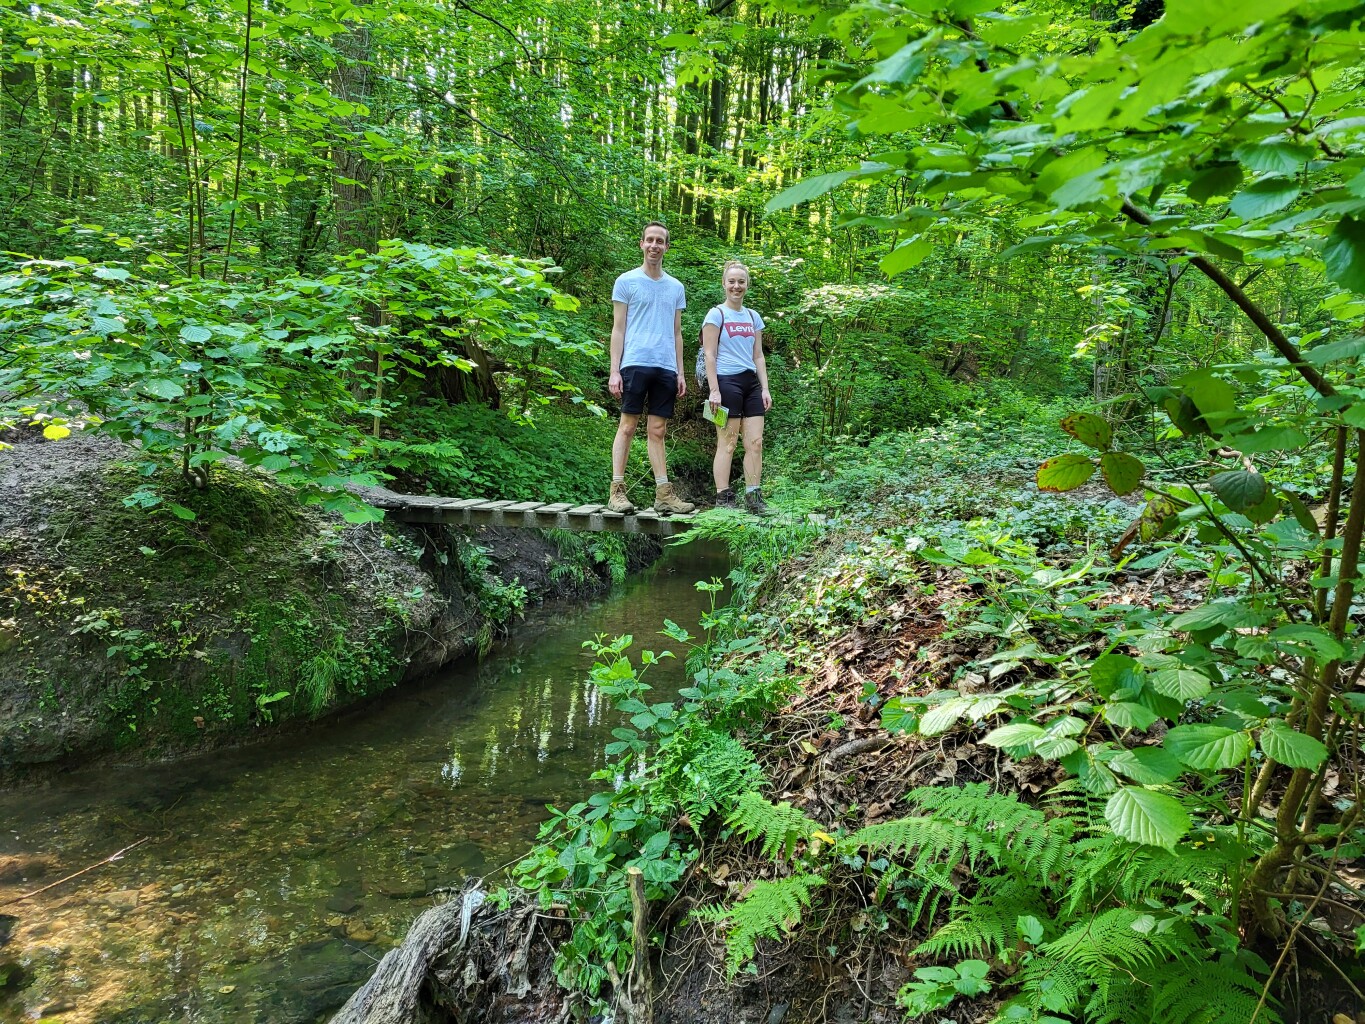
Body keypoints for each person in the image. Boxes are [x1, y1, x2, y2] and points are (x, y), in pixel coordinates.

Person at [607, 222, 695, 515]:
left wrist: (680, 372)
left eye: (660, 241)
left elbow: (677, 332)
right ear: (642, 244)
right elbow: (618, 329)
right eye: (650, 240)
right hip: (634, 362)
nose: (654, 245)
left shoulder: (676, 287)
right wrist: (615, 370)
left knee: (658, 430)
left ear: (666, 247)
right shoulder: (626, 281)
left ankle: (663, 495)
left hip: (665, 366)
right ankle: (617, 491)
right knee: (628, 426)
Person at [701, 260, 771, 514]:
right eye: (731, 281)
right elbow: (709, 355)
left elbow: (758, 355)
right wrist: (714, 390)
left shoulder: (753, 317)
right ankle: (723, 497)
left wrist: (765, 388)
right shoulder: (716, 314)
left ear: (747, 285)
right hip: (726, 383)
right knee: (728, 443)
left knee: (755, 443)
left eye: (741, 281)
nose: (736, 286)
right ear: (724, 283)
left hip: (751, 384)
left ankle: (754, 497)